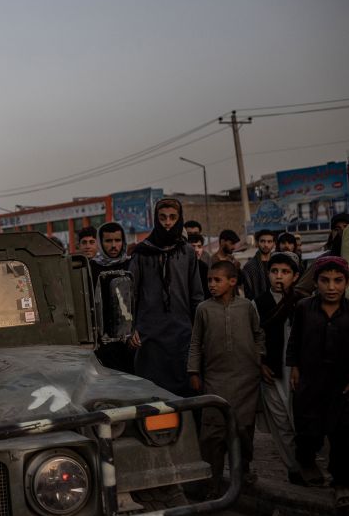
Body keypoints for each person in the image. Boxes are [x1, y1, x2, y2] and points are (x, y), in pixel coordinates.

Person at [188, 260, 264, 496]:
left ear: (232, 282)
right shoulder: (203, 309)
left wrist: (259, 360)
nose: (211, 284)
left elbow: (258, 335)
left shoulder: (247, 307)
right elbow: (196, 343)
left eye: (217, 280)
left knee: (243, 429)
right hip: (215, 378)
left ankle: (242, 474)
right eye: (209, 280)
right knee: (213, 433)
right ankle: (212, 483)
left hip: (246, 380)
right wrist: (193, 371)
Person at [286, 256, 349, 506]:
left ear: (345, 283)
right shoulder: (303, 307)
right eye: (325, 280)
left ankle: (342, 482)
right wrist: (294, 367)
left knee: (343, 434)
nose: (331, 287)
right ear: (316, 282)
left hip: (341, 384)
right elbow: (295, 339)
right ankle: (307, 462)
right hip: (310, 380)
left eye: (338, 281)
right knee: (308, 428)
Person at [129, 198, 204, 396]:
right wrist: (130, 328)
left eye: (172, 217)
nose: (168, 222)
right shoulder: (142, 253)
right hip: (149, 336)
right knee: (151, 394)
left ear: (179, 219)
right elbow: (130, 295)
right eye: (162, 218)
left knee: (185, 395)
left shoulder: (187, 252)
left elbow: (196, 295)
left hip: (182, 335)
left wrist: (201, 331)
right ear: (156, 219)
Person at [254, 252, 303, 484]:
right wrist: (260, 364)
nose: (279, 277)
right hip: (272, 373)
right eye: (274, 272)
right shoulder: (258, 304)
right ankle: (294, 469)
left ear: (295, 276)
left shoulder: (303, 302)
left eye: (285, 272)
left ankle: (307, 463)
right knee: (281, 424)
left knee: (300, 421)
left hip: (299, 373)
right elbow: (253, 338)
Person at [90, 222, 134, 373]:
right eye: (108, 241)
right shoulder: (92, 268)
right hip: (103, 342)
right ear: (100, 243)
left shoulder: (131, 265)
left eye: (117, 240)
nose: (114, 245)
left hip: (130, 341)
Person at [242, 229, 275, 300]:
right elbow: (248, 293)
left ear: (273, 244)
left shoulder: (277, 263)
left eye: (269, 242)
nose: (266, 245)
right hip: (257, 305)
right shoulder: (249, 266)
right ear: (257, 243)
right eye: (262, 241)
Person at [188, 233, 210, 297]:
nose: (197, 250)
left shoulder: (204, 267)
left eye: (199, 246)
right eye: (193, 246)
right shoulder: (181, 267)